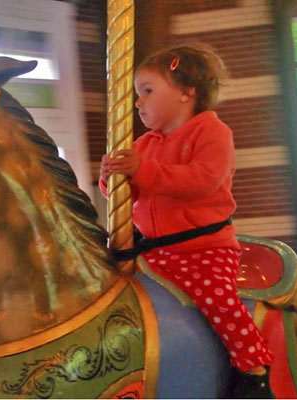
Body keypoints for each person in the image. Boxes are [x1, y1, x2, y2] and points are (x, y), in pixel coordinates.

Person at [99, 43, 274, 398]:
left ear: (187, 91)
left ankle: (252, 369)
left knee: (219, 300)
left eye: (147, 91)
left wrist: (142, 171)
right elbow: (126, 198)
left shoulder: (212, 133)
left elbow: (200, 181)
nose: (137, 102)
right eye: (137, 94)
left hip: (203, 249)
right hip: (152, 252)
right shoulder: (145, 144)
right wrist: (111, 179)